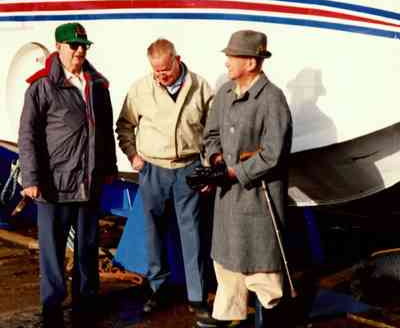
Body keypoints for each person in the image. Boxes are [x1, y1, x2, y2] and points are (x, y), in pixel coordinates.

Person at [18, 22, 117, 325]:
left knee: (87, 247)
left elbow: (105, 131)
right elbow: (28, 135)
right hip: (54, 184)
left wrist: (110, 168)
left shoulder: (97, 85)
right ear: (58, 47)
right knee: (53, 250)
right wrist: (31, 179)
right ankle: (52, 306)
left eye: (83, 46)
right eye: (73, 46)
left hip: (88, 182)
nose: (79, 51)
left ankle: (86, 301)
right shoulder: (41, 86)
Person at [115, 38, 214, 320]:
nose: (161, 76)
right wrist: (133, 155)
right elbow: (124, 125)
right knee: (153, 232)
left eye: (166, 70)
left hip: (188, 168)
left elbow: (213, 130)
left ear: (177, 60)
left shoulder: (200, 87)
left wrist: (208, 166)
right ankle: (158, 289)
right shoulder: (140, 89)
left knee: (193, 233)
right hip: (153, 169)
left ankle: (197, 296)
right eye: (156, 71)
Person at [202, 30, 293, 327]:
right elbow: (210, 135)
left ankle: (270, 320)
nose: (226, 62)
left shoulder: (272, 99)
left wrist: (236, 172)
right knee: (227, 265)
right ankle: (229, 318)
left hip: (258, 199)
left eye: (232, 57)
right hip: (227, 200)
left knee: (262, 269)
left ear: (251, 62)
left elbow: (274, 153)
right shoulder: (224, 94)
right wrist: (215, 159)